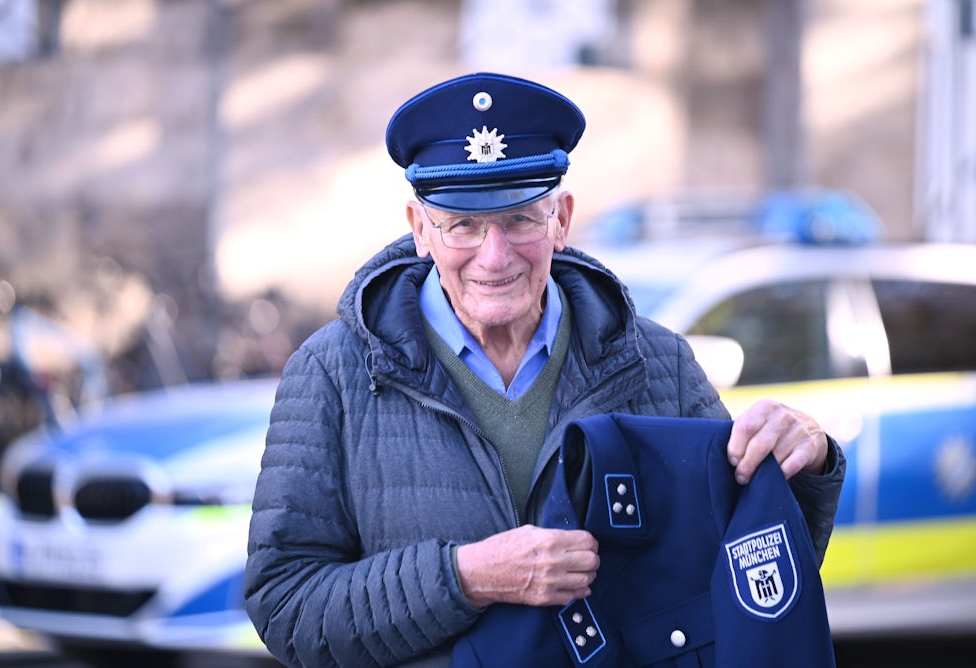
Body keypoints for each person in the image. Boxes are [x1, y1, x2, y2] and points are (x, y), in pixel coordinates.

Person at [245, 72, 846, 668]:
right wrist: (466, 577)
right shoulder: (332, 374)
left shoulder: (658, 361)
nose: (494, 256)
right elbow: (285, 606)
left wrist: (806, 465)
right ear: (420, 228)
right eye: (463, 225)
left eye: (520, 220)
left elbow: (749, 573)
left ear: (562, 219)